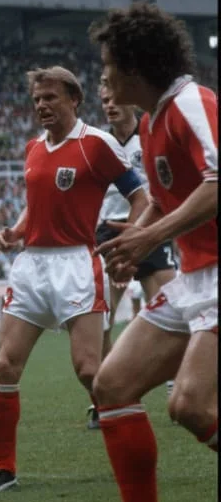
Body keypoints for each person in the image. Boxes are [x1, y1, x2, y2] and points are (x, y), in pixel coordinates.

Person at [77, 2, 217, 502]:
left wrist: (150, 236)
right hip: (195, 278)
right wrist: (133, 238)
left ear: (136, 66)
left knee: (190, 405)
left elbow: (217, 182)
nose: (104, 77)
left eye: (109, 65)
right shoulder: (155, 120)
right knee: (111, 385)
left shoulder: (191, 103)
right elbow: (162, 195)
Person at [0, 66, 148, 494]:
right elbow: (35, 204)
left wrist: (134, 238)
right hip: (32, 265)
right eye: (37, 99)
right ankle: (4, 470)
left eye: (50, 97)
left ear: (74, 99)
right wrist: (15, 232)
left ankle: (132, 446)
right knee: (5, 365)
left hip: (76, 264)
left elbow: (140, 196)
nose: (42, 105)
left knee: (90, 370)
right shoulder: (34, 147)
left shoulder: (97, 144)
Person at [87, 76, 179, 430]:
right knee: (101, 317)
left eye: (114, 99)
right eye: (104, 100)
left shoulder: (150, 131)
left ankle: (176, 380)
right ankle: (105, 395)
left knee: (172, 306)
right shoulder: (98, 143)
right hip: (109, 231)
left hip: (149, 226)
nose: (109, 105)